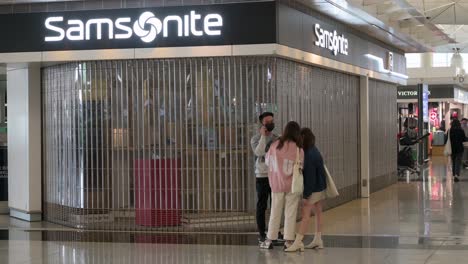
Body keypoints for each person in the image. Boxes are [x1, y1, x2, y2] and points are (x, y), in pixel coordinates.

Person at [259, 121, 303, 250]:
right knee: (291, 212)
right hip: (292, 185)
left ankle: (269, 240)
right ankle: (288, 241)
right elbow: (301, 166)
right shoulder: (298, 148)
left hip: (276, 184)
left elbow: (267, 161)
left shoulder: (275, 145)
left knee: (275, 211)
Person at [285, 128, 327, 252]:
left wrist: (306, 195)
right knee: (318, 213)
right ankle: (318, 239)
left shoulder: (307, 154)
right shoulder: (314, 149)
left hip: (313, 189)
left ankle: (298, 242)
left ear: (303, 138)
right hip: (320, 186)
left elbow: (309, 178)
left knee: (305, 215)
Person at [250, 112, 278, 243]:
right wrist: (262, 136)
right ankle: (261, 232)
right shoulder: (255, 138)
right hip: (261, 175)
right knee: (262, 205)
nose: (270, 124)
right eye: (267, 122)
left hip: (275, 175)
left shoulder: (277, 138)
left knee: (275, 204)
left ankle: (274, 231)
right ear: (262, 124)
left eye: (272, 121)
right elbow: (259, 152)